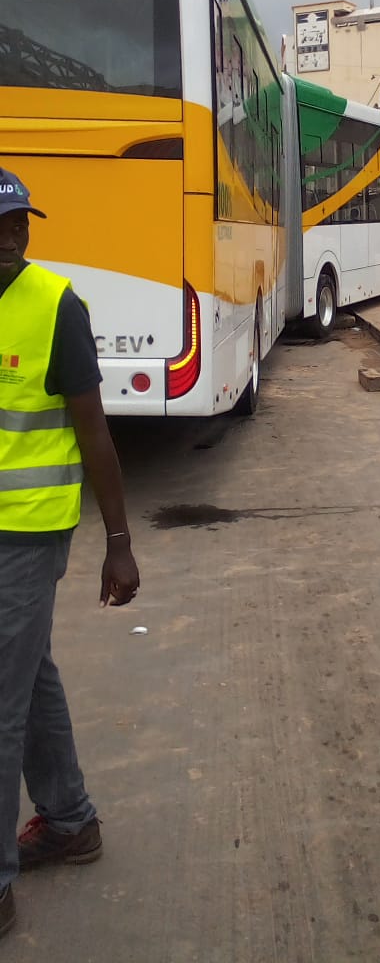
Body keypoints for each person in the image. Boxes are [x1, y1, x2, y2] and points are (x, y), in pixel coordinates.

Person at [0, 168, 140, 941]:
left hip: (28, 531)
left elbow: (94, 430)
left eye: (18, 223)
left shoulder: (55, 305)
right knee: (28, 674)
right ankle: (69, 821)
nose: (10, 238)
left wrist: (118, 542)